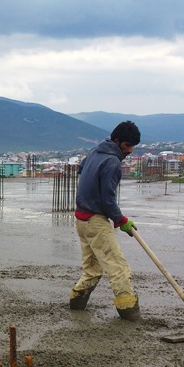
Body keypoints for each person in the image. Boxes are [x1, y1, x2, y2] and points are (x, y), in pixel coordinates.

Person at [69, 121, 141, 321]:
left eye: (133, 146)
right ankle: (129, 311)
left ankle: (77, 302)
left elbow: (81, 169)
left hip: (81, 219)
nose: (130, 151)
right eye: (127, 146)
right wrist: (121, 220)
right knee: (118, 267)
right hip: (95, 221)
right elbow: (108, 200)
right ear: (117, 141)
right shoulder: (112, 163)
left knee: (92, 268)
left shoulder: (95, 151)